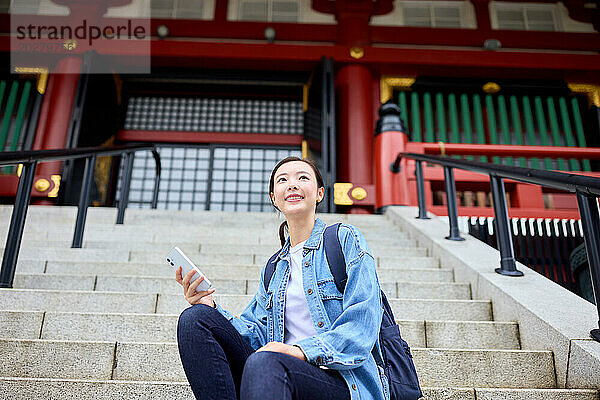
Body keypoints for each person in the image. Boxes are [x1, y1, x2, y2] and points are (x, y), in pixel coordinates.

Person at [175, 156, 389, 400]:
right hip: (273, 373)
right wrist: (210, 307)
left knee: (266, 362)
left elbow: (361, 325)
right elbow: (254, 335)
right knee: (196, 319)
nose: (292, 184)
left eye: (303, 178)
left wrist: (298, 351)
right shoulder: (274, 269)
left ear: (319, 194)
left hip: (342, 381)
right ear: (274, 198)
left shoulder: (344, 239)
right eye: (283, 180)